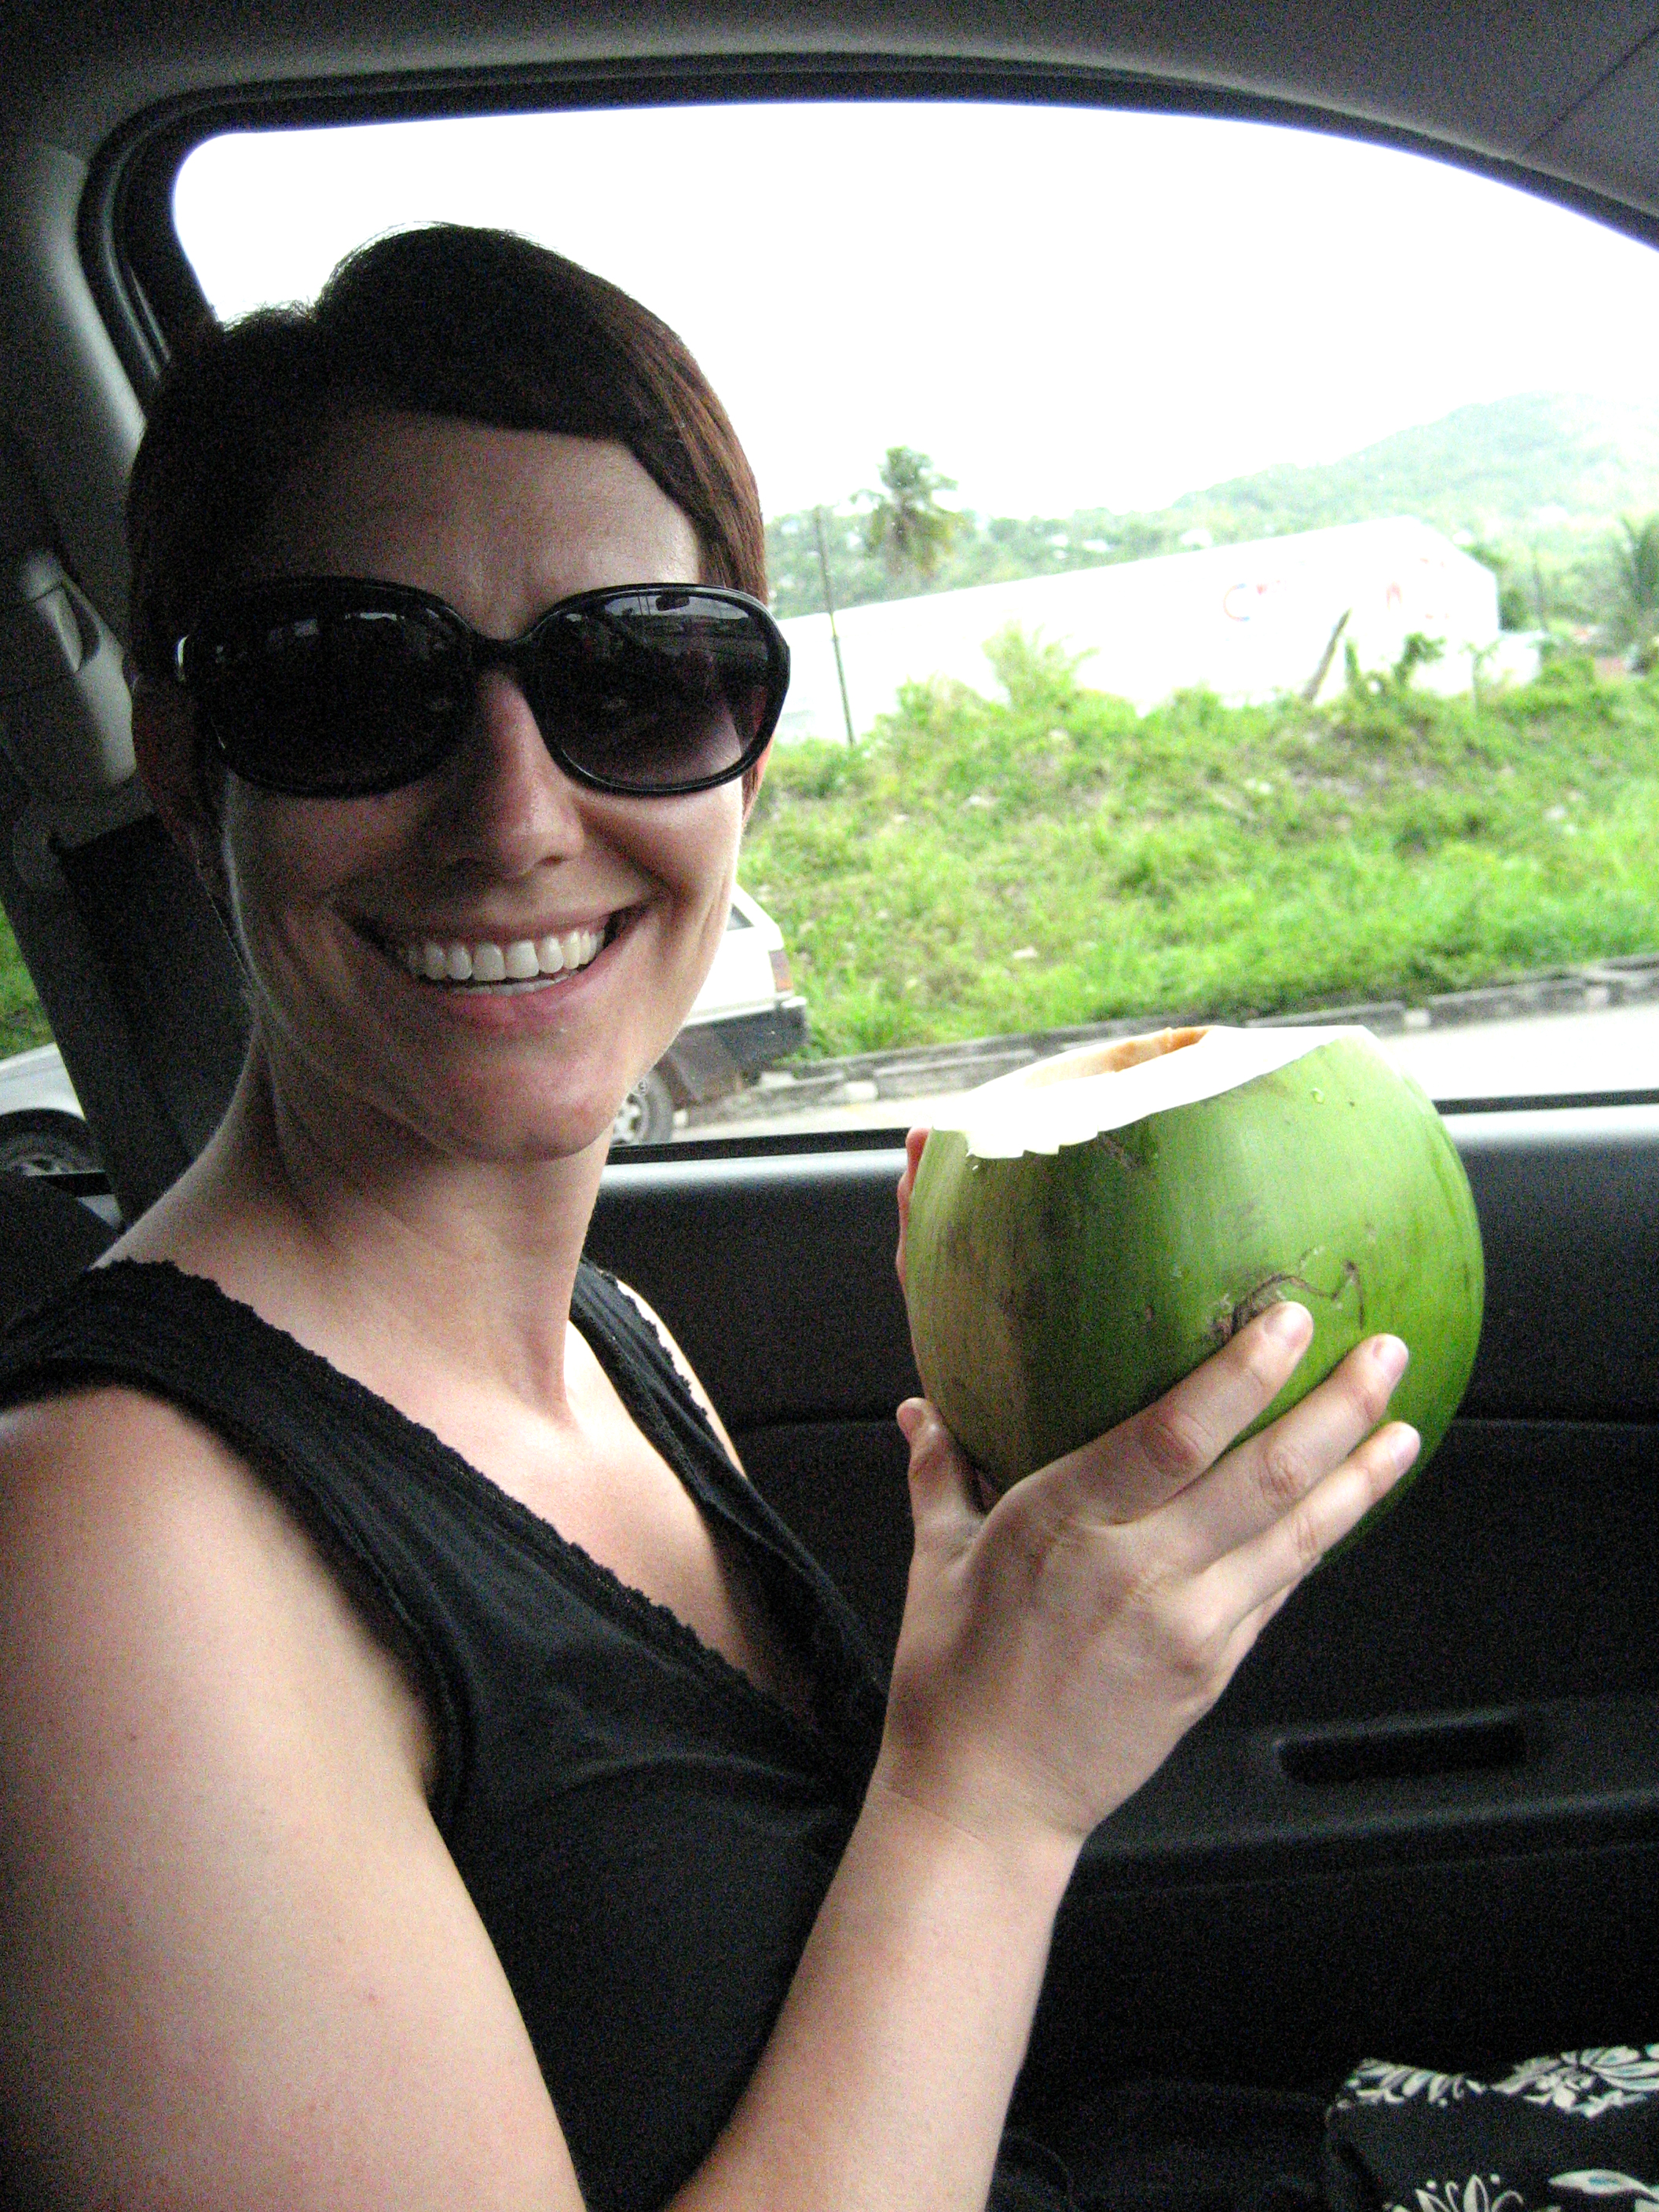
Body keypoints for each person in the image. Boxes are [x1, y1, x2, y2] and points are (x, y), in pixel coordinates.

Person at [0, 225, 1417, 2212]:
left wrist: (997, 1674)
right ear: (183, 770)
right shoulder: (96, 1552)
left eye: (641, 679)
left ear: (745, 751)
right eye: (353, 686)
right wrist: (990, 1796)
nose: (515, 817)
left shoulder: (614, 1339)